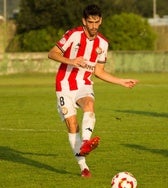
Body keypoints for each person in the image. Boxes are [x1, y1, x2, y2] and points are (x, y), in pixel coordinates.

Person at [48, 4, 138, 177]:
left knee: (89, 103)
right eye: (90, 22)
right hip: (64, 85)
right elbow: (52, 53)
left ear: (101, 20)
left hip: (84, 83)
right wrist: (71, 60)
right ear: (84, 21)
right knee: (72, 125)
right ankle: (83, 167)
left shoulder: (103, 43)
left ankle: (86, 143)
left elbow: (99, 72)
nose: (94, 26)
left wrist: (121, 81)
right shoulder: (73, 34)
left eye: (97, 22)